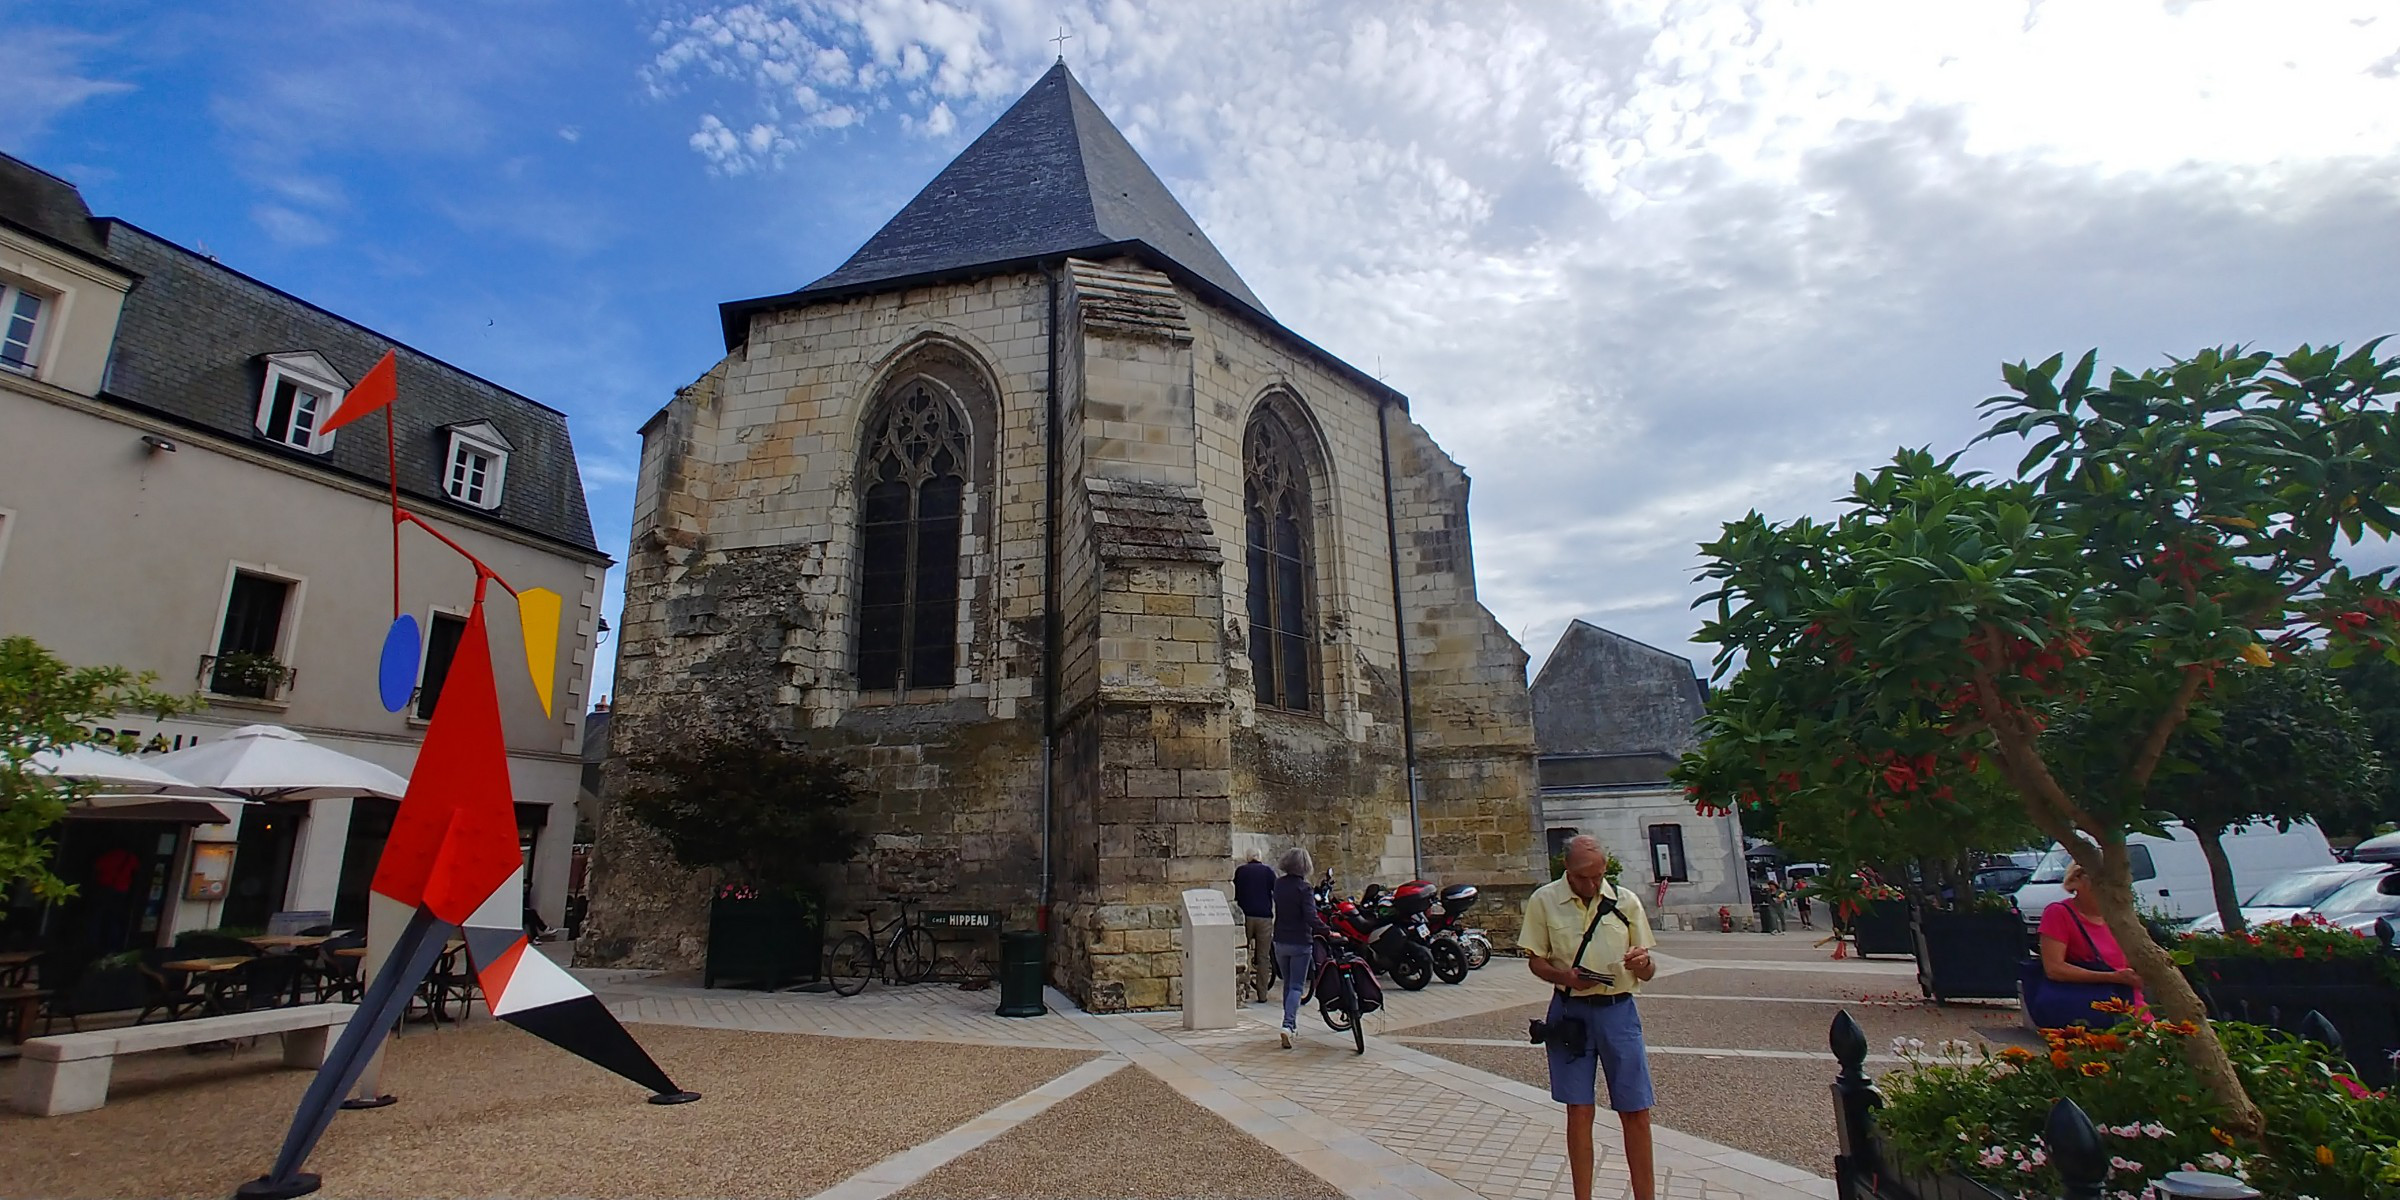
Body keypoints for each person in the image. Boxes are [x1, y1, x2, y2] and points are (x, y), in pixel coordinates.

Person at [1523, 835, 1658, 1200]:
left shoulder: (1625, 901)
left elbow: (1647, 970)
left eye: (1599, 876)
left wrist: (1643, 964)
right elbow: (1535, 959)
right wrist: (1565, 977)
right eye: (1584, 877)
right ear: (1566, 870)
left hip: (1619, 1012)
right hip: (1570, 1013)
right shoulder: (1544, 901)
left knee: (1636, 1109)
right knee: (1579, 1110)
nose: (1593, 884)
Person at [2035, 862, 2143, 1026]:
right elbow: (2054, 969)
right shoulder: (2059, 913)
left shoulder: (2120, 918)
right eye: (2099, 881)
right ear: (2078, 880)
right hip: (2089, 1010)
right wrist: (2111, 977)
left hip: (2132, 1005)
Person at [1270, 845, 1329, 1048]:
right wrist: (1328, 931)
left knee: (1288, 984)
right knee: (1297, 986)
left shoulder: (1278, 885)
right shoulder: (1304, 889)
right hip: (1300, 942)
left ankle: (1291, 1024)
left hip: (1280, 940)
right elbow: (1311, 917)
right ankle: (1288, 1025)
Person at [1234, 850, 1277, 1003]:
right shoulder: (1268, 872)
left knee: (1244, 952)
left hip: (1245, 916)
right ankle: (1262, 994)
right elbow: (1276, 891)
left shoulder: (1240, 871)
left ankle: (1244, 990)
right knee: (1263, 957)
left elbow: (1236, 893)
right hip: (1264, 917)